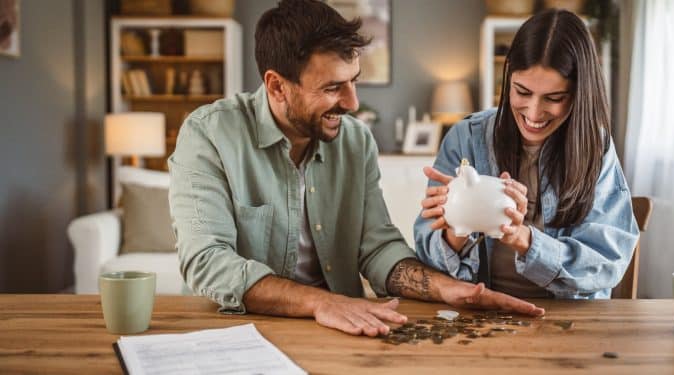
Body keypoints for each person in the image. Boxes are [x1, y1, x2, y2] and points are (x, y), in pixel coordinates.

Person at [168, 0, 544, 338]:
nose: (352, 102)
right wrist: (321, 302)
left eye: (354, 81)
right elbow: (207, 261)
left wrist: (448, 288)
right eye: (333, 87)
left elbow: (377, 247)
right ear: (277, 86)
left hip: (343, 330)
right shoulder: (209, 135)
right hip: (234, 333)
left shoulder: (355, 141)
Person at [415, 9, 639, 299]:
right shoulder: (466, 138)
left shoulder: (596, 148)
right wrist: (457, 225)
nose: (534, 113)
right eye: (522, 92)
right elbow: (427, 262)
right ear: (508, 80)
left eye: (554, 98)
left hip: (571, 320)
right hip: (483, 311)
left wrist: (524, 238)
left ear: (580, 94)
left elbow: (607, 262)